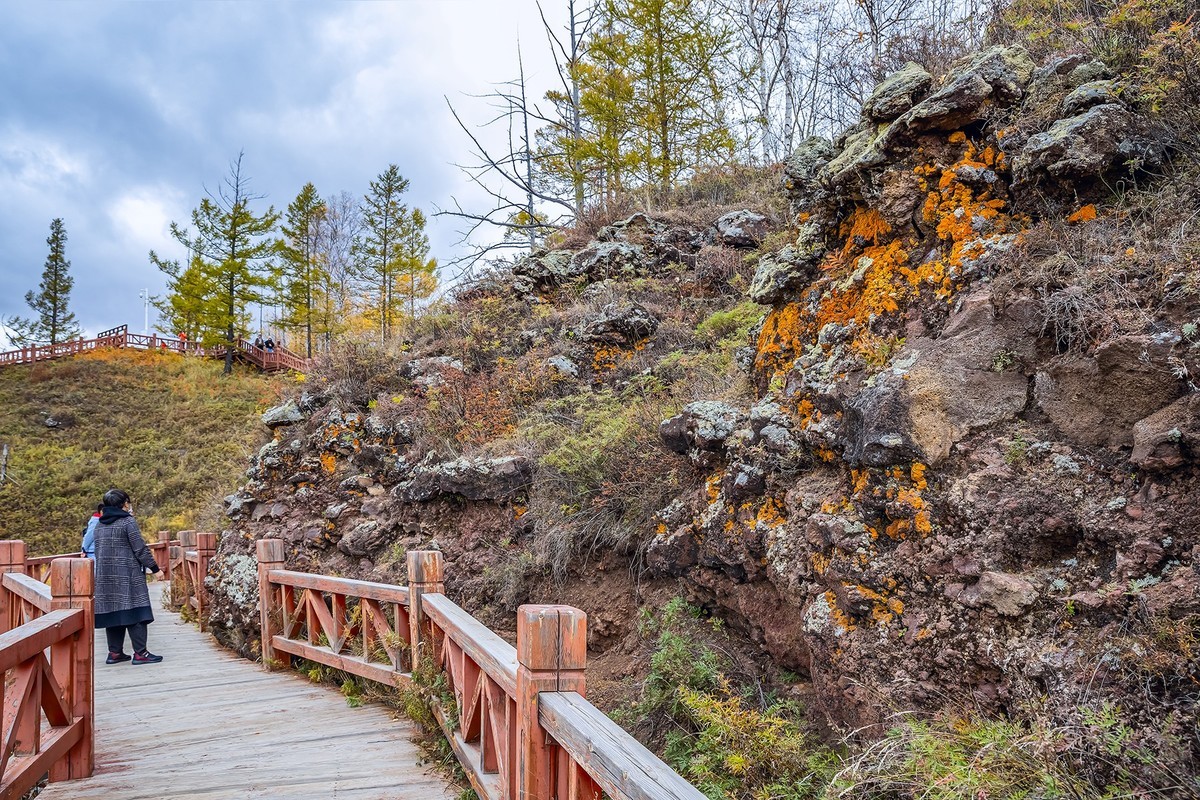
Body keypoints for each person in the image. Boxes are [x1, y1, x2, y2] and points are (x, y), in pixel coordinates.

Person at [93, 489, 163, 664]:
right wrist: (155, 569)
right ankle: (141, 654)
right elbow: (139, 548)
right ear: (124, 504)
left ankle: (114, 653)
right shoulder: (127, 522)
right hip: (128, 574)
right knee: (137, 612)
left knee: (113, 614)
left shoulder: (99, 525)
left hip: (104, 577)